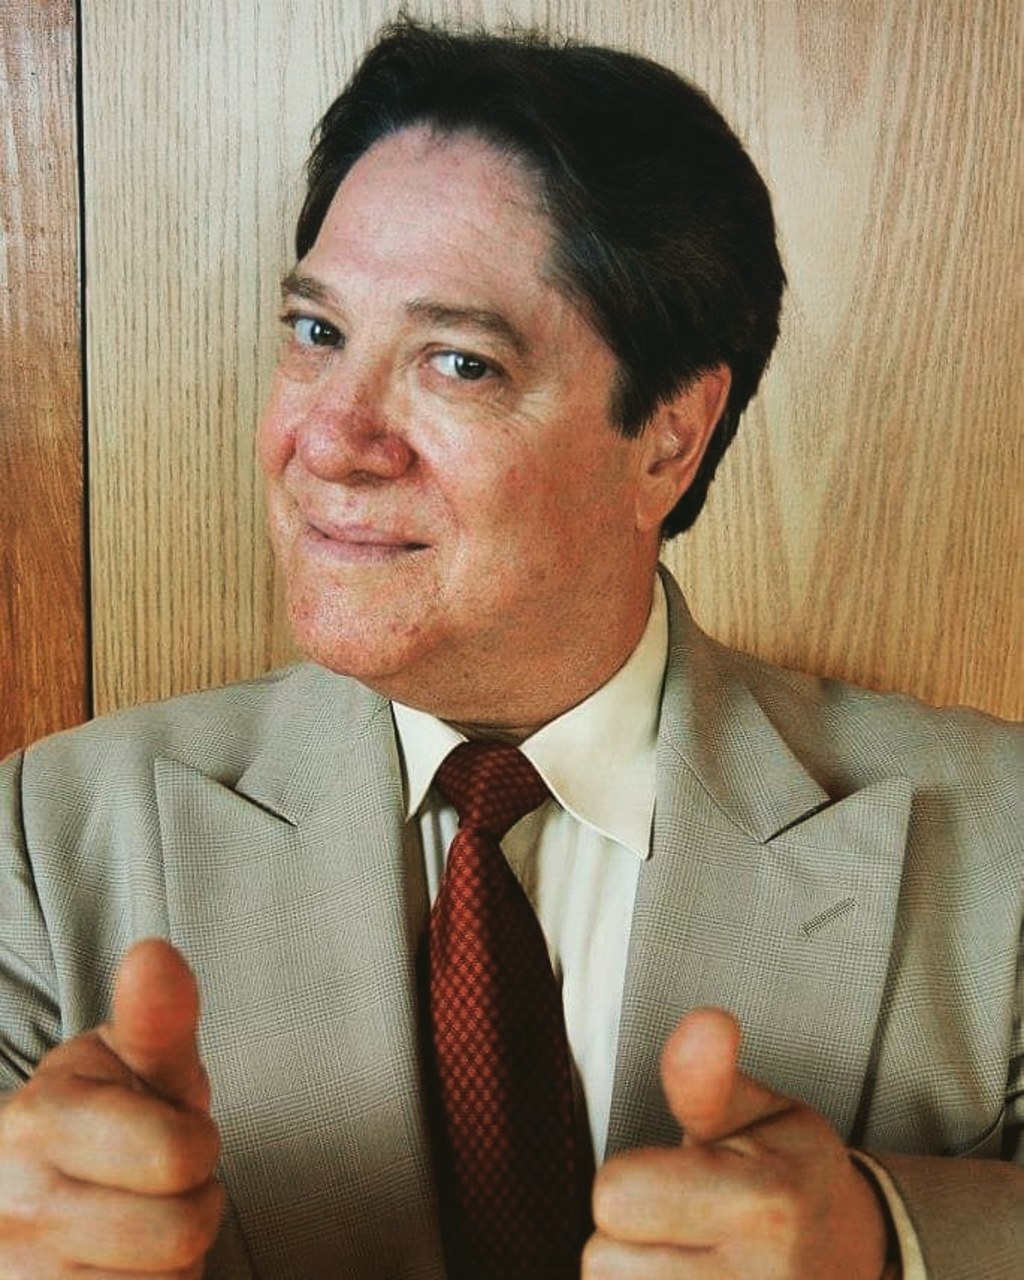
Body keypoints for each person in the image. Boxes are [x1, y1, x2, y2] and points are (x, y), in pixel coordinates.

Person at [0, 18, 1020, 1280]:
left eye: (458, 363)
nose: (331, 439)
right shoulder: (47, 838)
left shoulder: (998, 840)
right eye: (316, 333)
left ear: (668, 436)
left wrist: (891, 1240)